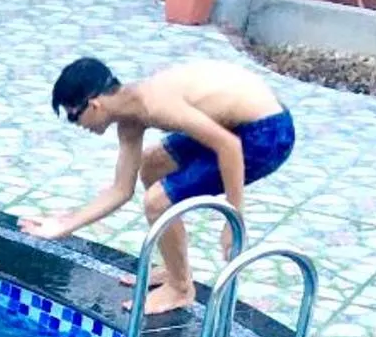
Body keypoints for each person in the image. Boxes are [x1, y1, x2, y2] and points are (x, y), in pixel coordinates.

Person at [20, 56, 295, 316]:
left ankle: (180, 289)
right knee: (152, 164)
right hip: (235, 121)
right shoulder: (129, 117)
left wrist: (233, 221)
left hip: (267, 133)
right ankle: (176, 268)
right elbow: (121, 190)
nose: (77, 125)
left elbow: (229, 146)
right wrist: (64, 224)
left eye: (73, 117)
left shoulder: (155, 105)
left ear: (94, 105)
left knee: (157, 201)